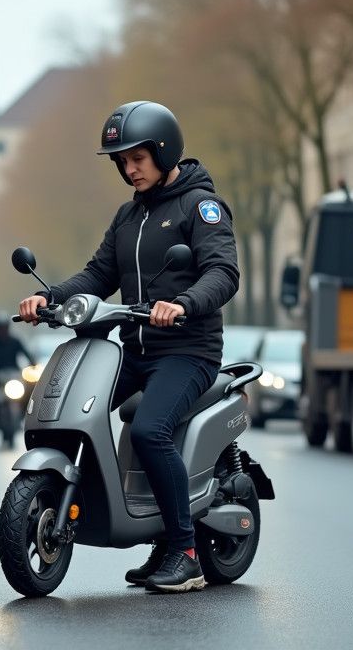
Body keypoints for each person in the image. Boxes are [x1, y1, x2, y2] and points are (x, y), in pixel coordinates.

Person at [17, 100, 239, 594]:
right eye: (122, 161)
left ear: (164, 150)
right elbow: (99, 275)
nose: (129, 168)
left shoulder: (201, 207)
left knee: (149, 431)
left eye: (137, 158)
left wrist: (182, 304)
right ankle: (119, 520)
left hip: (188, 352)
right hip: (133, 351)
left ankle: (185, 552)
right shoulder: (128, 216)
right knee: (71, 413)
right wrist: (50, 297)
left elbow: (223, 272)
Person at [0, 312, 34, 425]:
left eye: (4, 327)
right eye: (0, 327)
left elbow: (26, 354)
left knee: (29, 389)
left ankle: (27, 412)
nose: (2, 330)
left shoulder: (15, 341)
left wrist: (32, 363)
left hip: (14, 374)